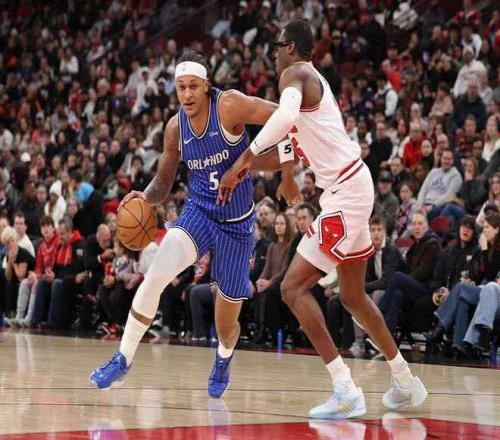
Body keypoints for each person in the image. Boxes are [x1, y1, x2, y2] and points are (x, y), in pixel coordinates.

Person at [218, 19, 427, 419]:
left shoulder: (295, 73)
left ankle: (345, 389)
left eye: (277, 44)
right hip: (352, 188)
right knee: (352, 296)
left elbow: (282, 120)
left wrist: (242, 158)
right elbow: (286, 146)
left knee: (292, 288)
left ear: (291, 47)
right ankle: (406, 381)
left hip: (345, 194)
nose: (273, 52)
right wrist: (250, 169)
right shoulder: (307, 86)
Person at [90, 51, 291, 397]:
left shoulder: (230, 105)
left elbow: (287, 119)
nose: (186, 94)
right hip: (198, 214)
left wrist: (251, 167)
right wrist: (144, 197)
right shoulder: (174, 128)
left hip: (236, 225)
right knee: (155, 276)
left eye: (193, 86)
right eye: (181, 87)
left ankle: (224, 356)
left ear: (206, 85)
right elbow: (163, 182)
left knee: (225, 325)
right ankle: (123, 358)